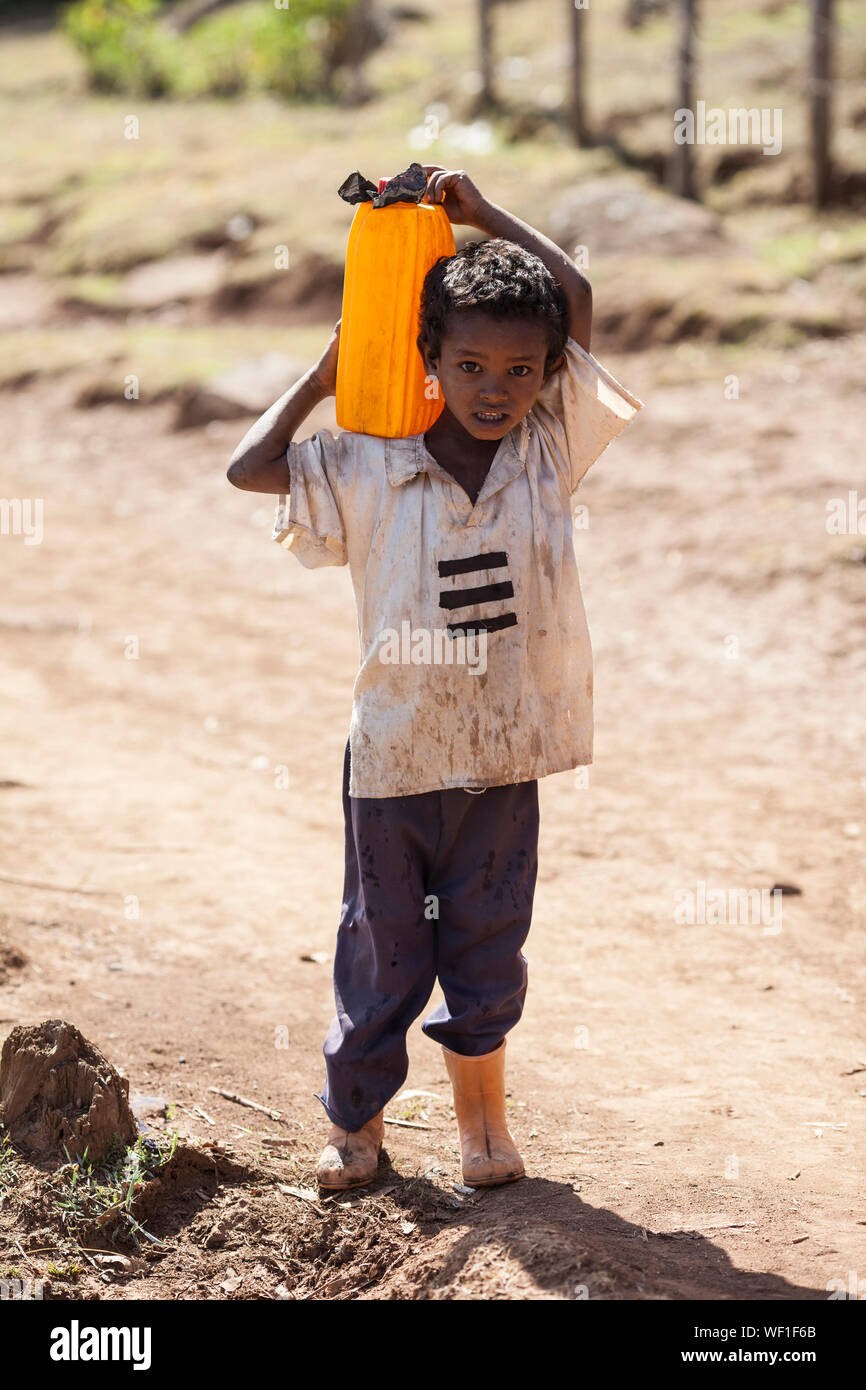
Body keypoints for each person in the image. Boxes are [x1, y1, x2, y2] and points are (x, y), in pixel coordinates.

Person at [227, 165, 644, 1191]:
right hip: (393, 758)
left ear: (546, 375)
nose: (495, 387)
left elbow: (575, 303)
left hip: (503, 759)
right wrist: (330, 372)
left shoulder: (547, 453)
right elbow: (247, 467)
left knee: (488, 946)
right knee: (382, 955)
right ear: (429, 359)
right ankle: (354, 1124)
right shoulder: (366, 466)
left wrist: (478, 211)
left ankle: (482, 1127)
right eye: (468, 365)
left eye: (517, 368)